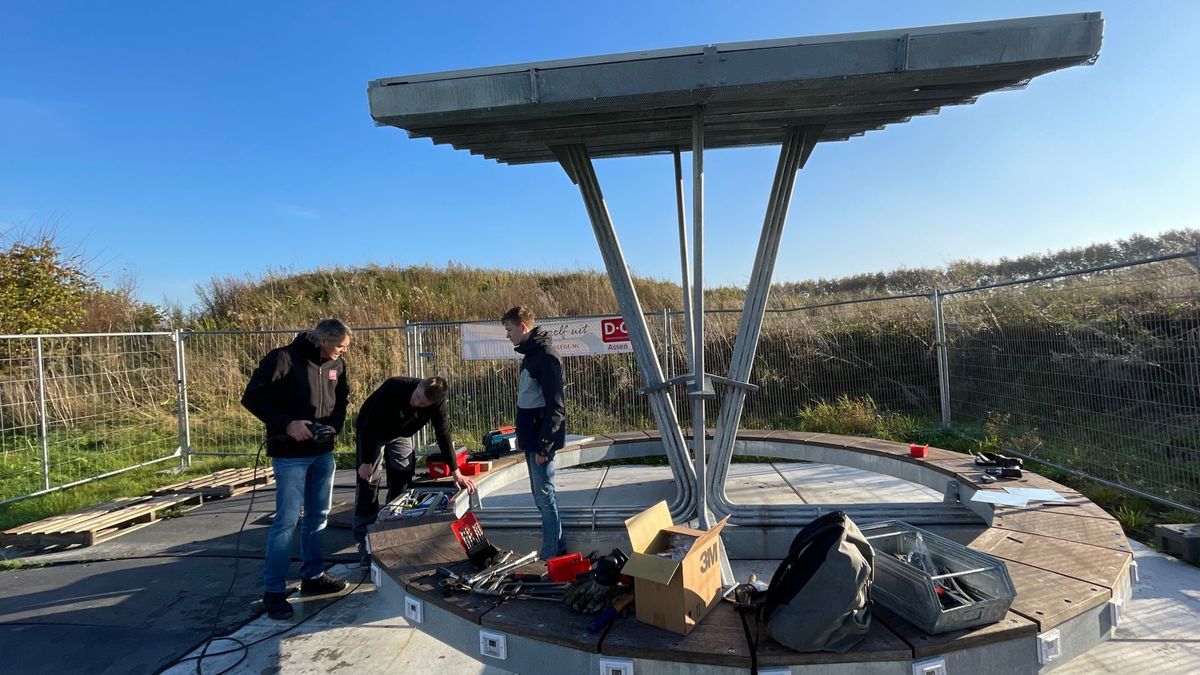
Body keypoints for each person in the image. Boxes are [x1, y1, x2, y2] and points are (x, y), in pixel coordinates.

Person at [241, 318, 352, 620]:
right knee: (286, 521)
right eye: (339, 347)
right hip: (290, 454)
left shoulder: (336, 365)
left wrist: (333, 428)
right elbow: (252, 397)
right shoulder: (283, 358)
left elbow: (341, 399)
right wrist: (287, 424)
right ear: (322, 340)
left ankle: (313, 576)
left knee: (319, 515)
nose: (342, 352)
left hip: (322, 452)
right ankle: (274, 591)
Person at [352, 375, 477, 566]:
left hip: (401, 433)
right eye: (416, 395)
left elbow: (443, 433)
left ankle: (391, 526)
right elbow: (369, 425)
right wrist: (366, 461)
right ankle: (364, 544)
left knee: (402, 478)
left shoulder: (437, 405)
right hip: (373, 431)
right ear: (419, 384)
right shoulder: (395, 386)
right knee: (369, 482)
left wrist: (455, 471)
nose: (416, 401)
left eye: (422, 402)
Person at [501, 306, 567, 560]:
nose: (508, 336)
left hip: (542, 442)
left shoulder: (546, 356)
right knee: (541, 497)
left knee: (545, 495)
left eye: (509, 330)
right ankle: (556, 546)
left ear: (523, 327)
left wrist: (544, 445)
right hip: (532, 439)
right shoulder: (530, 355)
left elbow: (556, 405)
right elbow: (529, 402)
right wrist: (524, 437)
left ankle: (551, 552)